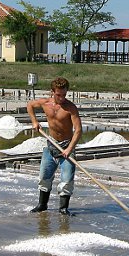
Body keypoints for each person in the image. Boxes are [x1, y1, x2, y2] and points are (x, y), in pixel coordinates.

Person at [26, 77, 82, 215]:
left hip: (66, 146)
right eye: (59, 95)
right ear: (52, 92)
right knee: (44, 176)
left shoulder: (70, 108)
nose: (62, 98)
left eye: (64, 94)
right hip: (51, 144)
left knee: (67, 179)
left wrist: (69, 149)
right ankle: (42, 204)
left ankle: (63, 208)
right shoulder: (45, 103)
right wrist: (34, 122)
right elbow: (30, 105)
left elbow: (78, 130)